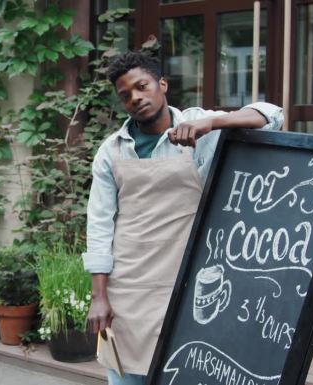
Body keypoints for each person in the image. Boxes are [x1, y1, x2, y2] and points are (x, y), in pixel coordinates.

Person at [82, 51, 284, 385]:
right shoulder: (112, 150)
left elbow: (272, 115)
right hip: (128, 284)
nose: (136, 98)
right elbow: (100, 224)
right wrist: (99, 296)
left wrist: (212, 122)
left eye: (142, 86)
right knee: (126, 373)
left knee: (184, 371)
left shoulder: (198, 126)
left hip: (186, 280)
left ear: (161, 84)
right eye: (125, 95)